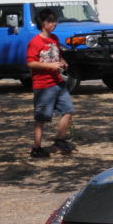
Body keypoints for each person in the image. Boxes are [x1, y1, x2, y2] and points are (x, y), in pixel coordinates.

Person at [26, 8, 74, 158]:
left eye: (55, 21)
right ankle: (36, 147)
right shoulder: (35, 41)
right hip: (43, 86)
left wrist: (63, 63)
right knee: (41, 118)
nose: (54, 24)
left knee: (68, 110)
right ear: (42, 23)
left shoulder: (54, 38)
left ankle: (59, 140)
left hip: (58, 83)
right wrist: (50, 66)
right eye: (50, 21)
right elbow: (30, 63)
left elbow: (58, 57)